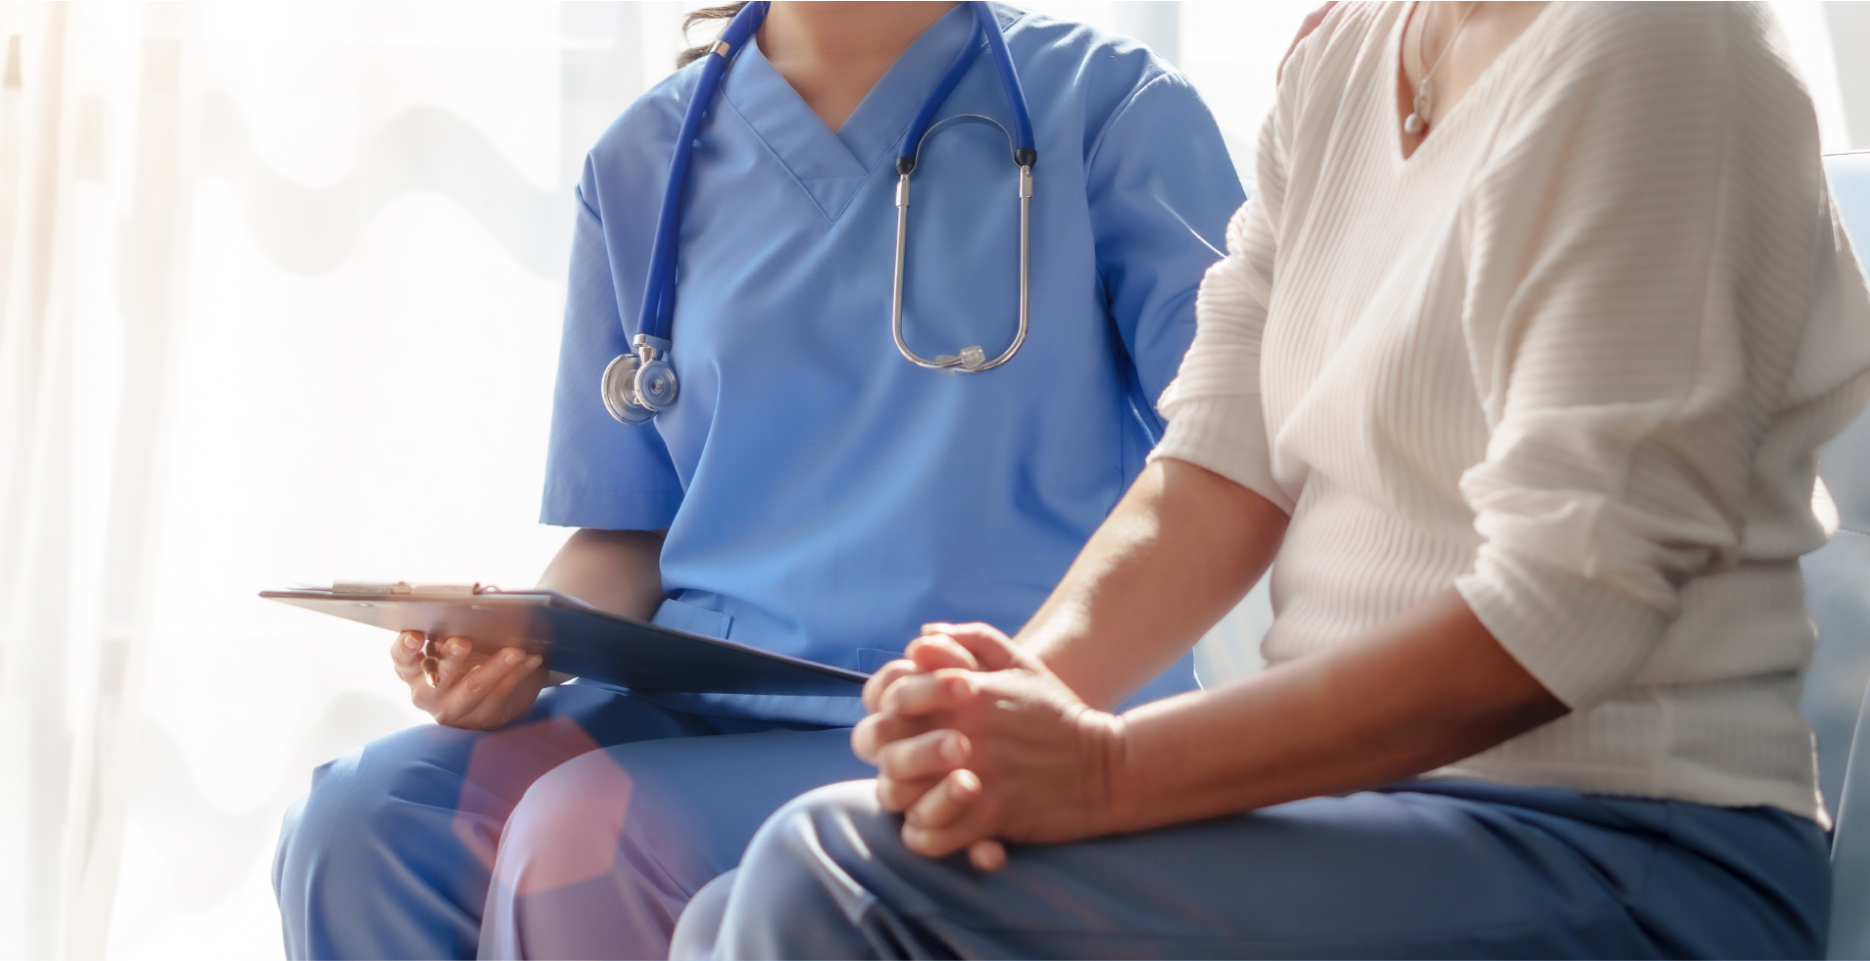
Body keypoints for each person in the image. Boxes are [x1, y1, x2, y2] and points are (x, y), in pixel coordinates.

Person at [687, 2, 1870, 957]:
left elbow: (1572, 604)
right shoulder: (1350, 57)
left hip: (1630, 849)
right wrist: (999, 714)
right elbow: (1217, 465)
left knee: (831, 884)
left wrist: (1101, 771)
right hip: (1376, 814)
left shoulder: (1659, 41)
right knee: (728, 910)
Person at [270, 2, 1247, 957]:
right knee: (364, 820)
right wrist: (520, 641)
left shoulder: (1109, 108)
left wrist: (1032, 691)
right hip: (703, 706)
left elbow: (1237, 456)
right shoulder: (645, 158)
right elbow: (630, 528)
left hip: (983, 704)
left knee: (591, 832)